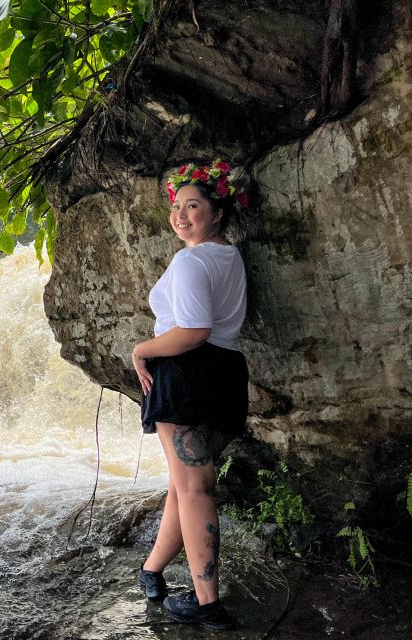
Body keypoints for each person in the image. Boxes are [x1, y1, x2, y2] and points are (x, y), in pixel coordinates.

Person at [130, 159, 249, 631]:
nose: (180, 216)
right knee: (186, 485)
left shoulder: (190, 260)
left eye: (193, 206)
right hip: (225, 375)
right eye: (176, 207)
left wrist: (142, 350)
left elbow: (194, 330)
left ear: (217, 212)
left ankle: (206, 604)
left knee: (194, 486)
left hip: (185, 374)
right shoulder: (232, 256)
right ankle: (152, 570)